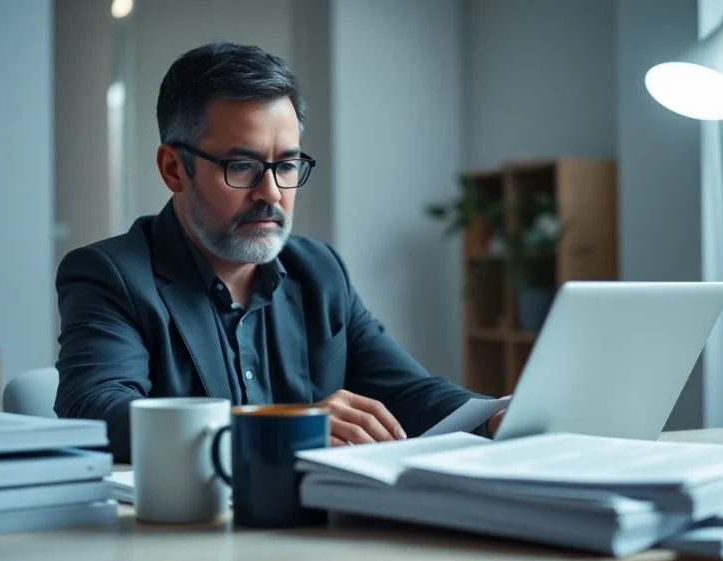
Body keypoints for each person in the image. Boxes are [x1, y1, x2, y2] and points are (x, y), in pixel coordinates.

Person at [54, 41, 505, 462]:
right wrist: (290, 430)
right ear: (174, 169)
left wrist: (496, 417)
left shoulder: (320, 271)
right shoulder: (110, 274)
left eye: (286, 165)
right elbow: (96, 413)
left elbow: (408, 392)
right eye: (242, 165)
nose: (270, 192)